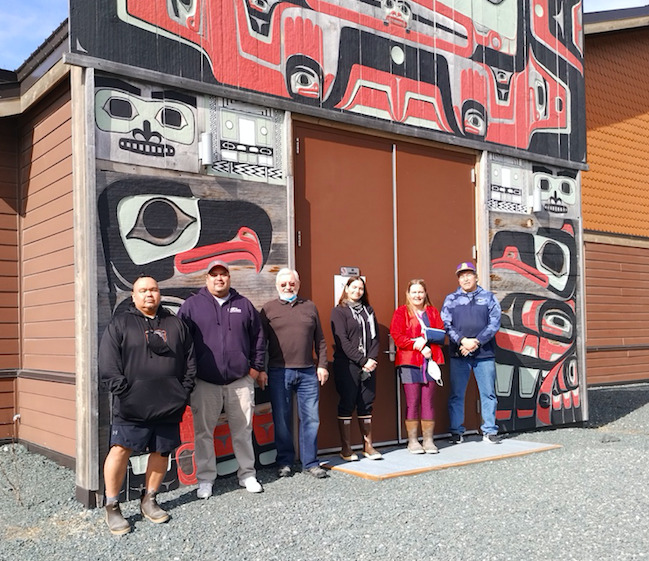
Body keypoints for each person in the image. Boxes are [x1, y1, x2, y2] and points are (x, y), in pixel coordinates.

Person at [99, 275, 196, 536]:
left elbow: (190, 361)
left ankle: (149, 499)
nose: (148, 294)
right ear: (133, 296)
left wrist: (182, 392)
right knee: (120, 450)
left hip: (168, 404)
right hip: (132, 405)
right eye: (142, 290)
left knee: (162, 452)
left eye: (153, 289)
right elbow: (108, 365)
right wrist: (126, 393)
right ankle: (112, 505)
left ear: (159, 293)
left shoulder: (175, 323)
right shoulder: (120, 323)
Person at [177, 260, 267, 498]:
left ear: (229, 278)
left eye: (223, 274)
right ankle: (206, 479)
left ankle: (247, 474)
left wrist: (256, 369)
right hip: (205, 383)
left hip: (240, 382)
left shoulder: (243, 305)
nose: (219, 278)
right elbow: (181, 342)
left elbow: (258, 338)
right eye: (214, 275)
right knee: (203, 433)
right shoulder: (192, 306)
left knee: (243, 430)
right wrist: (189, 375)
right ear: (206, 279)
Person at [261, 268, 329, 479]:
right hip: (278, 371)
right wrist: (261, 371)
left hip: (308, 371)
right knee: (281, 419)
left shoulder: (309, 307)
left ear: (298, 285)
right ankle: (285, 462)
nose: (288, 287)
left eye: (292, 283)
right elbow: (259, 343)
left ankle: (310, 462)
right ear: (277, 286)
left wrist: (323, 365)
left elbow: (321, 340)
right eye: (284, 284)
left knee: (311, 419)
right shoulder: (268, 309)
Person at [441, 261, 502, 444]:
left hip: (484, 354)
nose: (465, 278)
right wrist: (462, 341)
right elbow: (446, 324)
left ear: (476, 276)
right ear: (458, 279)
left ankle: (489, 431)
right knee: (457, 394)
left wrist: (476, 341)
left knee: (488, 393)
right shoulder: (451, 299)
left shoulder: (489, 297)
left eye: (469, 274)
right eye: (461, 275)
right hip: (459, 354)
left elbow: (494, 323)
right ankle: (456, 431)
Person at [390, 279, 445, 454]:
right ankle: (413, 441)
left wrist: (428, 344)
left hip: (430, 361)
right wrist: (417, 345)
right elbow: (397, 336)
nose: (417, 295)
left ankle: (428, 440)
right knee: (412, 402)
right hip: (409, 362)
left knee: (428, 402)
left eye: (420, 292)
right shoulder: (401, 313)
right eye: (414, 292)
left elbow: (441, 333)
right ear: (408, 294)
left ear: (425, 293)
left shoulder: (433, 312)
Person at [331, 276, 381, 461]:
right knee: (347, 402)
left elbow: (376, 338)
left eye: (360, 288)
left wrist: (372, 359)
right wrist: (362, 360)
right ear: (346, 289)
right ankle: (346, 448)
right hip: (348, 365)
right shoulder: (339, 311)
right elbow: (342, 341)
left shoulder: (369, 311)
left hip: (369, 364)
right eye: (354, 287)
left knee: (366, 402)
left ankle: (368, 446)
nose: (357, 291)